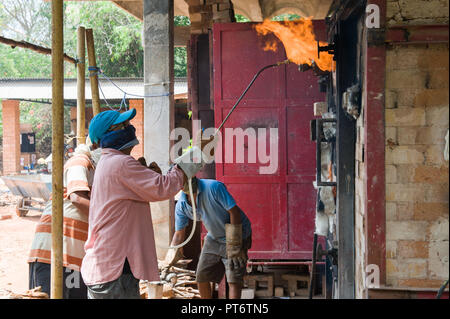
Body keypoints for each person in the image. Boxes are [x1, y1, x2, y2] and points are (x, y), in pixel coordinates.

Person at [80, 108, 211, 299]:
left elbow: (152, 188)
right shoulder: (120, 164)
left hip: (112, 268)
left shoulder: (113, 163)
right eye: (123, 125)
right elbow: (165, 187)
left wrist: (148, 174)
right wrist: (197, 153)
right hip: (113, 270)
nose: (129, 128)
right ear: (108, 136)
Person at [28, 142, 99, 298]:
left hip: (76, 258)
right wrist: (109, 217)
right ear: (97, 145)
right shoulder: (80, 161)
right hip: (53, 254)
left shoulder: (98, 171)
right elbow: (77, 198)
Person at [164, 177, 252, 299]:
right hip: (215, 236)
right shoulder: (181, 205)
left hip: (237, 233)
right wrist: (170, 256)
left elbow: (234, 212)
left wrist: (234, 245)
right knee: (201, 277)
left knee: (233, 279)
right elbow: (179, 234)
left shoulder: (214, 187)